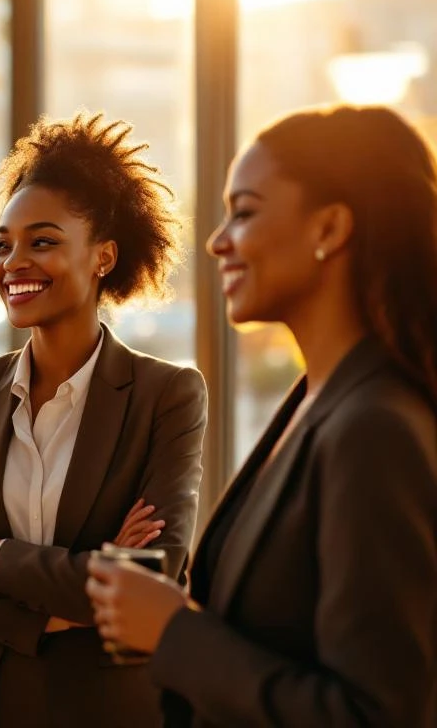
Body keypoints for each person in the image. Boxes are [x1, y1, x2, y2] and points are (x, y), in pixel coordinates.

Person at [87, 104, 437, 726]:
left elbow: (378, 713)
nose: (218, 241)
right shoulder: (314, 402)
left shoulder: (372, 428)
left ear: (329, 228)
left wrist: (174, 633)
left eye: (244, 212)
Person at [0, 110, 208, 728]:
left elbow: (152, 578)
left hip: (108, 711)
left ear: (102, 257)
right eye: (2, 244)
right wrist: (69, 600)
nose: (13, 262)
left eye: (42, 241)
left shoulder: (167, 395)